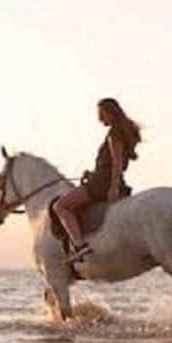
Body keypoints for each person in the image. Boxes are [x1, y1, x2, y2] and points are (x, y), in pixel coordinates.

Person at [55, 97, 142, 261]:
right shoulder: (120, 133)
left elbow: (117, 164)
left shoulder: (114, 135)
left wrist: (113, 187)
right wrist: (92, 174)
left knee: (61, 206)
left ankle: (79, 245)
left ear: (110, 113)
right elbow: (111, 165)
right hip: (101, 178)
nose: (99, 118)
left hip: (102, 184)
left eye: (101, 113)